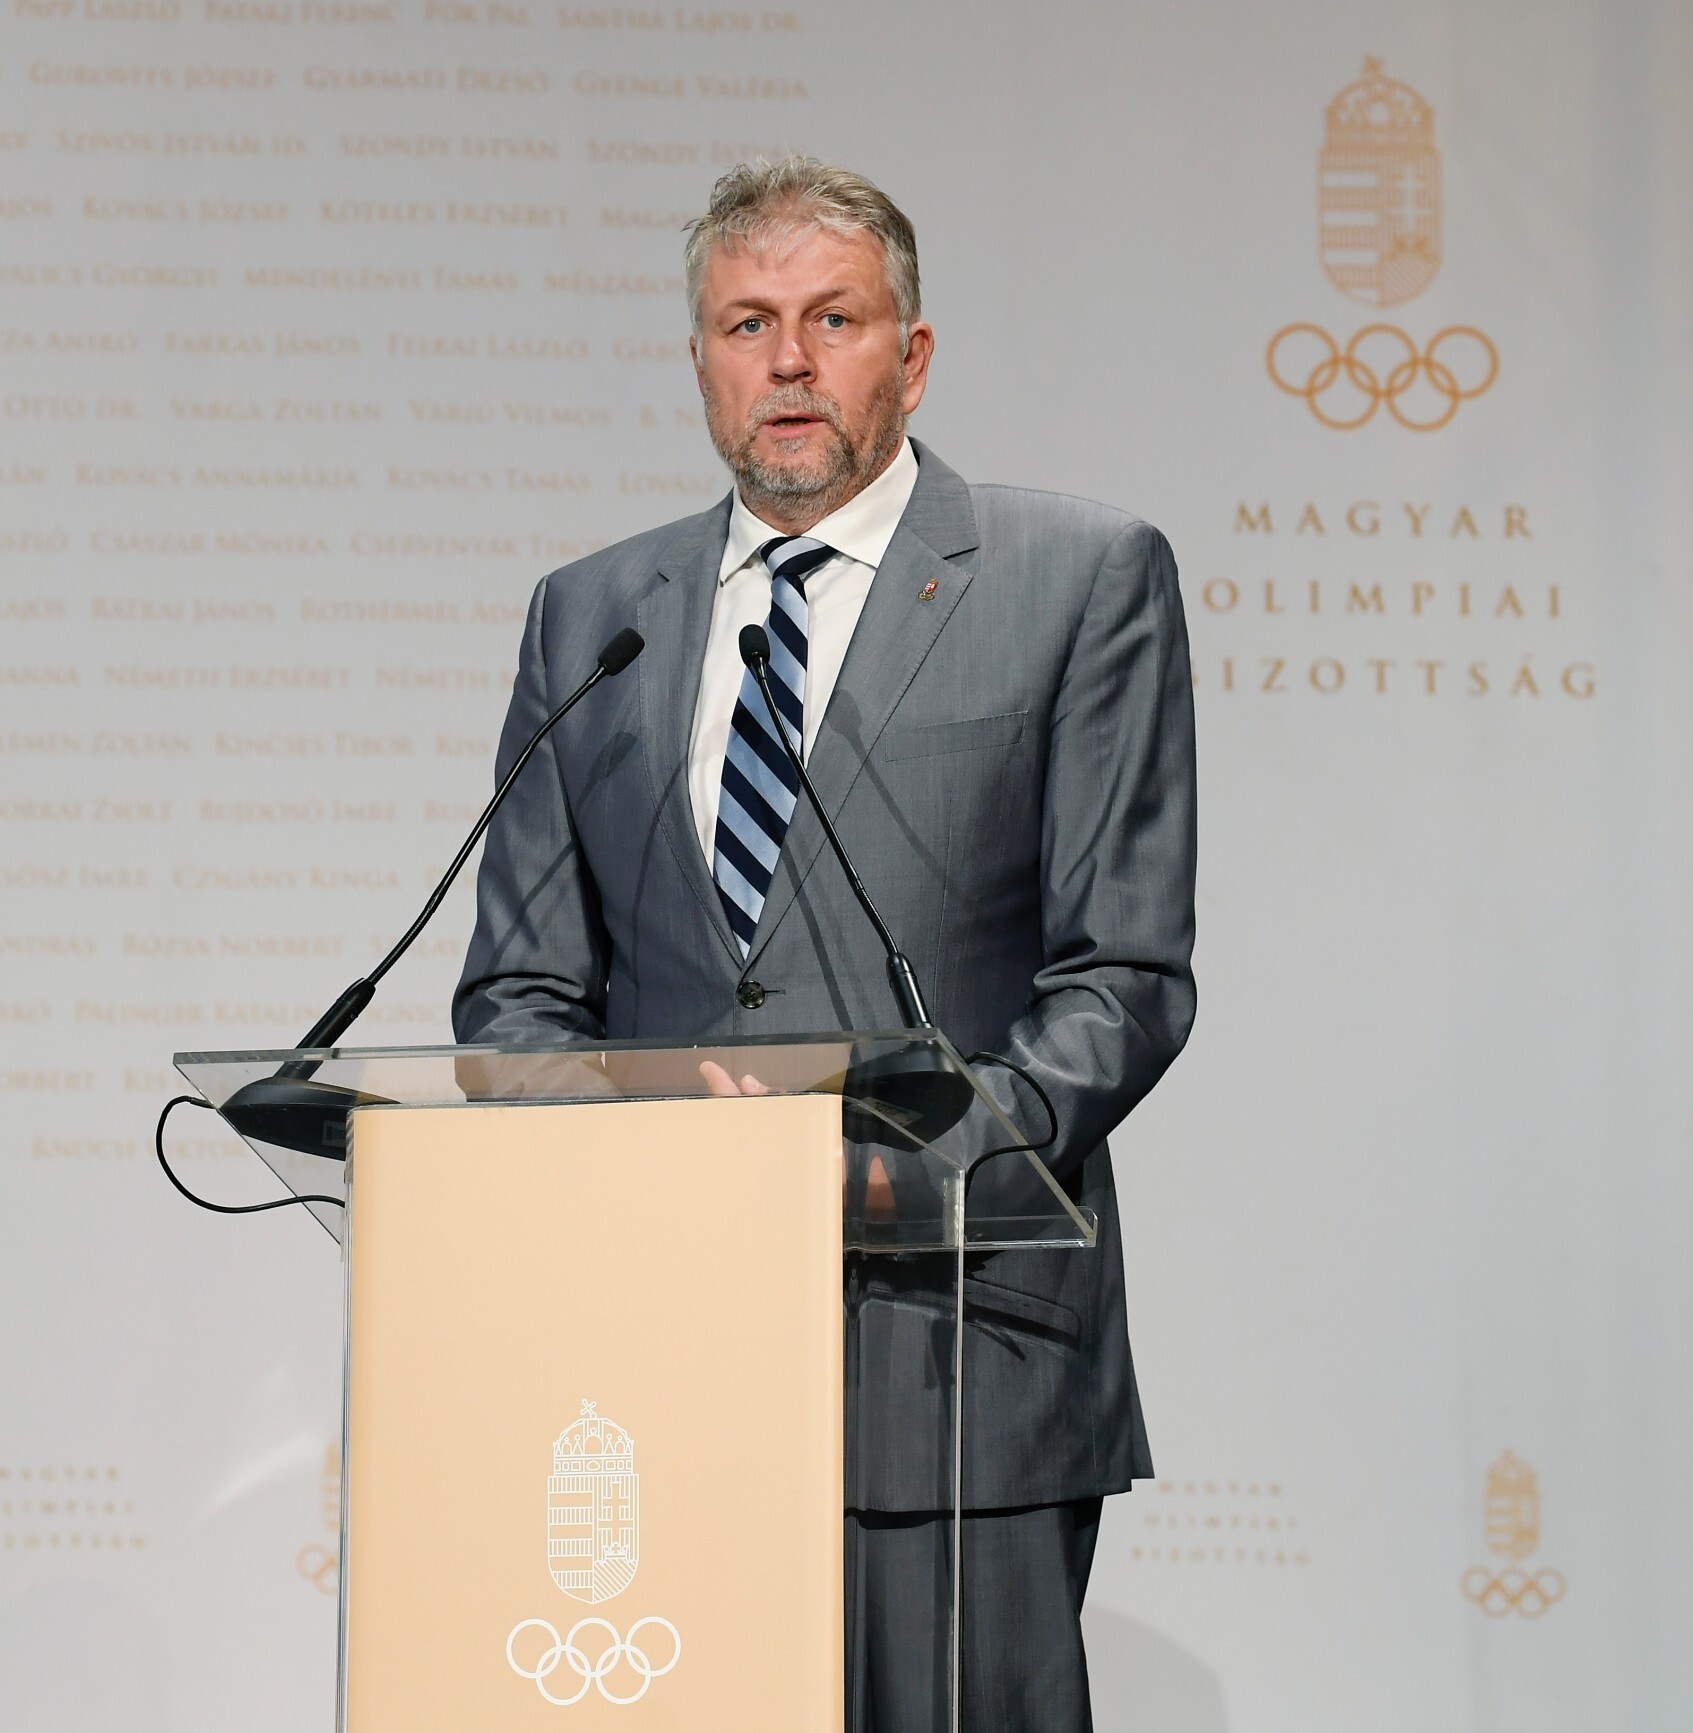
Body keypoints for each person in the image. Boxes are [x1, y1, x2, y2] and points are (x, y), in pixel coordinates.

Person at [451, 155, 1197, 1730]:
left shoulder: (1076, 578)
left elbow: (1122, 979)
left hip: (962, 1359)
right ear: (700, 363)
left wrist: (883, 1170)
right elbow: (518, 991)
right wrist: (656, 1164)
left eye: (831, 320)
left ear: (910, 357)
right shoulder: (592, 615)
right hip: (657, 1361)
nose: (787, 360)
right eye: (747, 324)